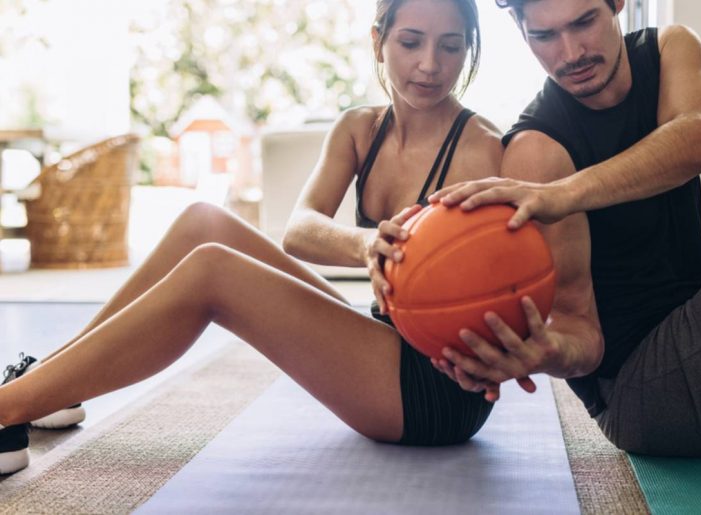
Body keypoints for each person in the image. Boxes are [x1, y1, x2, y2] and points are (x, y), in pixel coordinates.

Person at [0, 0, 505, 475]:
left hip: (435, 390)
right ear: (379, 42)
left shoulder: (481, 147)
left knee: (213, 270)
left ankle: (8, 407)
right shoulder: (360, 129)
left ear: (468, 49)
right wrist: (363, 246)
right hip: (383, 339)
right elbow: (300, 229)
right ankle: (47, 383)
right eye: (411, 42)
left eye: (451, 46)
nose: (430, 64)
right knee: (205, 222)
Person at [429, 0, 701, 457]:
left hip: (700, 336)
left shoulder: (669, 48)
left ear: (617, 4)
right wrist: (546, 350)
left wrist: (565, 194)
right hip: (642, 395)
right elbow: (581, 336)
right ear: (519, 29)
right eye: (545, 37)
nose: (571, 53)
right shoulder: (537, 150)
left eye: (584, 21)